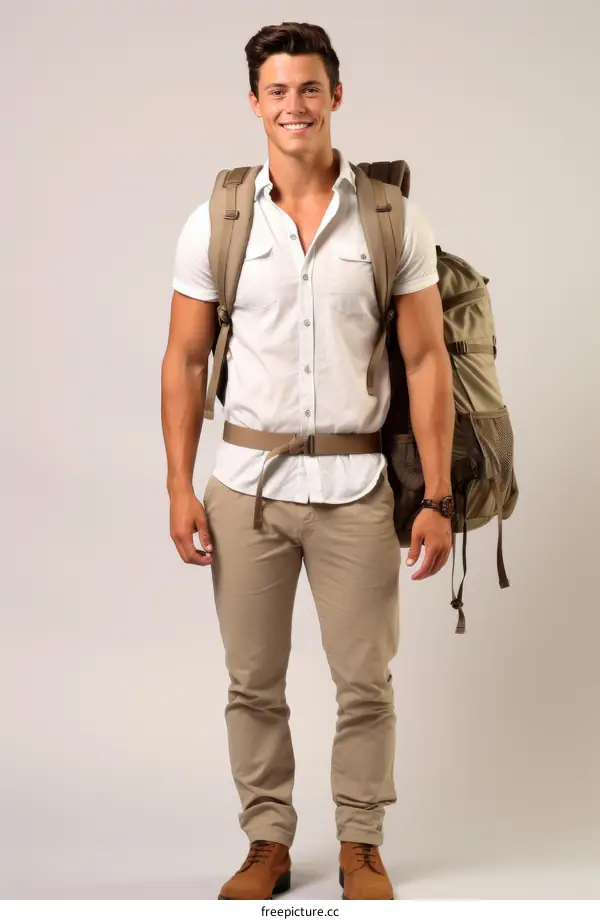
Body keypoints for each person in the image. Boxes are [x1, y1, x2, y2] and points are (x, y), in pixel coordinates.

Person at [161, 21, 455, 901]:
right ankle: (268, 843)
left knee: (364, 679)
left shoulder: (390, 217)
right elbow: (182, 359)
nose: (295, 105)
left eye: (310, 88)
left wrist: (436, 495)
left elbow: (427, 360)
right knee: (251, 682)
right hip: (244, 489)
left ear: (336, 94)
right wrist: (179, 485)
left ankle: (361, 843)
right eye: (278, 91)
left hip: (356, 489)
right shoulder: (218, 219)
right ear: (255, 103)